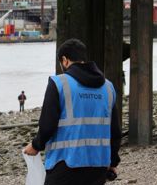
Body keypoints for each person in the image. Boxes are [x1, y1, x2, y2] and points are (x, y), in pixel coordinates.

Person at [24, 38, 122, 185]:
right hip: (98, 166)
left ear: (65, 60)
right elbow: (115, 131)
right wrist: (113, 161)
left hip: (64, 165)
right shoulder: (108, 87)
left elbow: (47, 125)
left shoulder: (58, 84)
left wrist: (36, 145)